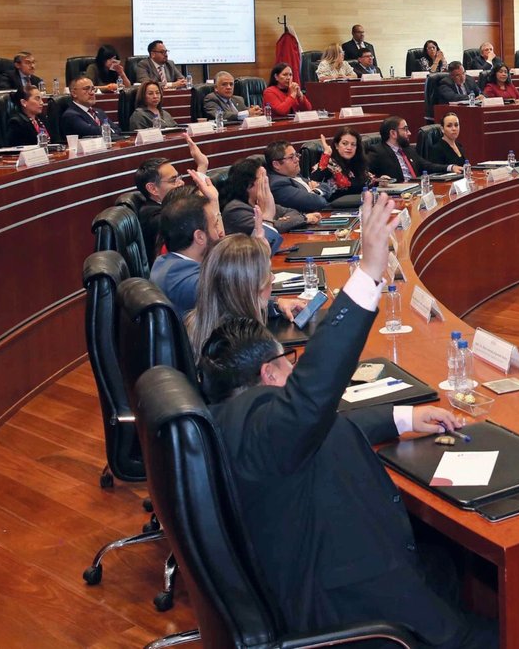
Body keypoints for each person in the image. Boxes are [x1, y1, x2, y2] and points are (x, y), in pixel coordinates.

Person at [200, 192, 497, 648]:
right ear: (267, 374)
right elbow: (312, 394)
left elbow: (323, 427)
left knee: (444, 567)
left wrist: (403, 417)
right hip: (350, 602)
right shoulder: (265, 428)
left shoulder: (239, 420)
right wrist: (369, 272)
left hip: (356, 565)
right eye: (288, 363)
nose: (295, 370)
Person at [184, 234, 307, 357]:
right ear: (250, 286)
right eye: (267, 273)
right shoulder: (249, 346)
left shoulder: (194, 323)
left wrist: (275, 305)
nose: (273, 278)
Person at [150, 173, 226, 314]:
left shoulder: (166, 262)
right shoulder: (186, 279)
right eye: (215, 225)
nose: (220, 233)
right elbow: (239, 297)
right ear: (199, 237)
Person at [126, 135, 210, 252]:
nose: (181, 183)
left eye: (179, 177)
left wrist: (202, 166)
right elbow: (193, 214)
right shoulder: (154, 217)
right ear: (153, 188)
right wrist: (202, 168)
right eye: (173, 180)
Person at [222, 156, 314, 246]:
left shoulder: (257, 201)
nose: (268, 182)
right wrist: (304, 219)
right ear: (249, 184)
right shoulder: (235, 210)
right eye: (263, 178)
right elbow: (268, 230)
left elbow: (292, 212)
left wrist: (279, 222)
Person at [369, 116, 451, 180]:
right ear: (393, 133)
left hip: (416, 189)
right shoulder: (378, 151)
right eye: (405, 129)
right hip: (397, 193)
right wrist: (378, 179)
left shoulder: (408, 149)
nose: (409, 133)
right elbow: (366, 174)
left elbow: (426, 165)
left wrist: (450, 167)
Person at [265, 138, 334, 214]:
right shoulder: (278, 184)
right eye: (291, 157)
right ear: (276, 164)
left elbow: (326, 187)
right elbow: (318, 202)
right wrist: (316, 194)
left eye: (296, 155)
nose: (297, 159)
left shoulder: (294, 174)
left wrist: (315, 191)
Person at [323, 126, 380, 205]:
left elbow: (368, 181)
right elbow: (314, 181)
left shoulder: (357, 162)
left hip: (358, 207)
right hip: (335, 209)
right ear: (336, 145)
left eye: (353, 144)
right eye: (345, 143)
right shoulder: (329, 163)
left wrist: (381, 181)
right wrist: (326, 155)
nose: (349, 147)